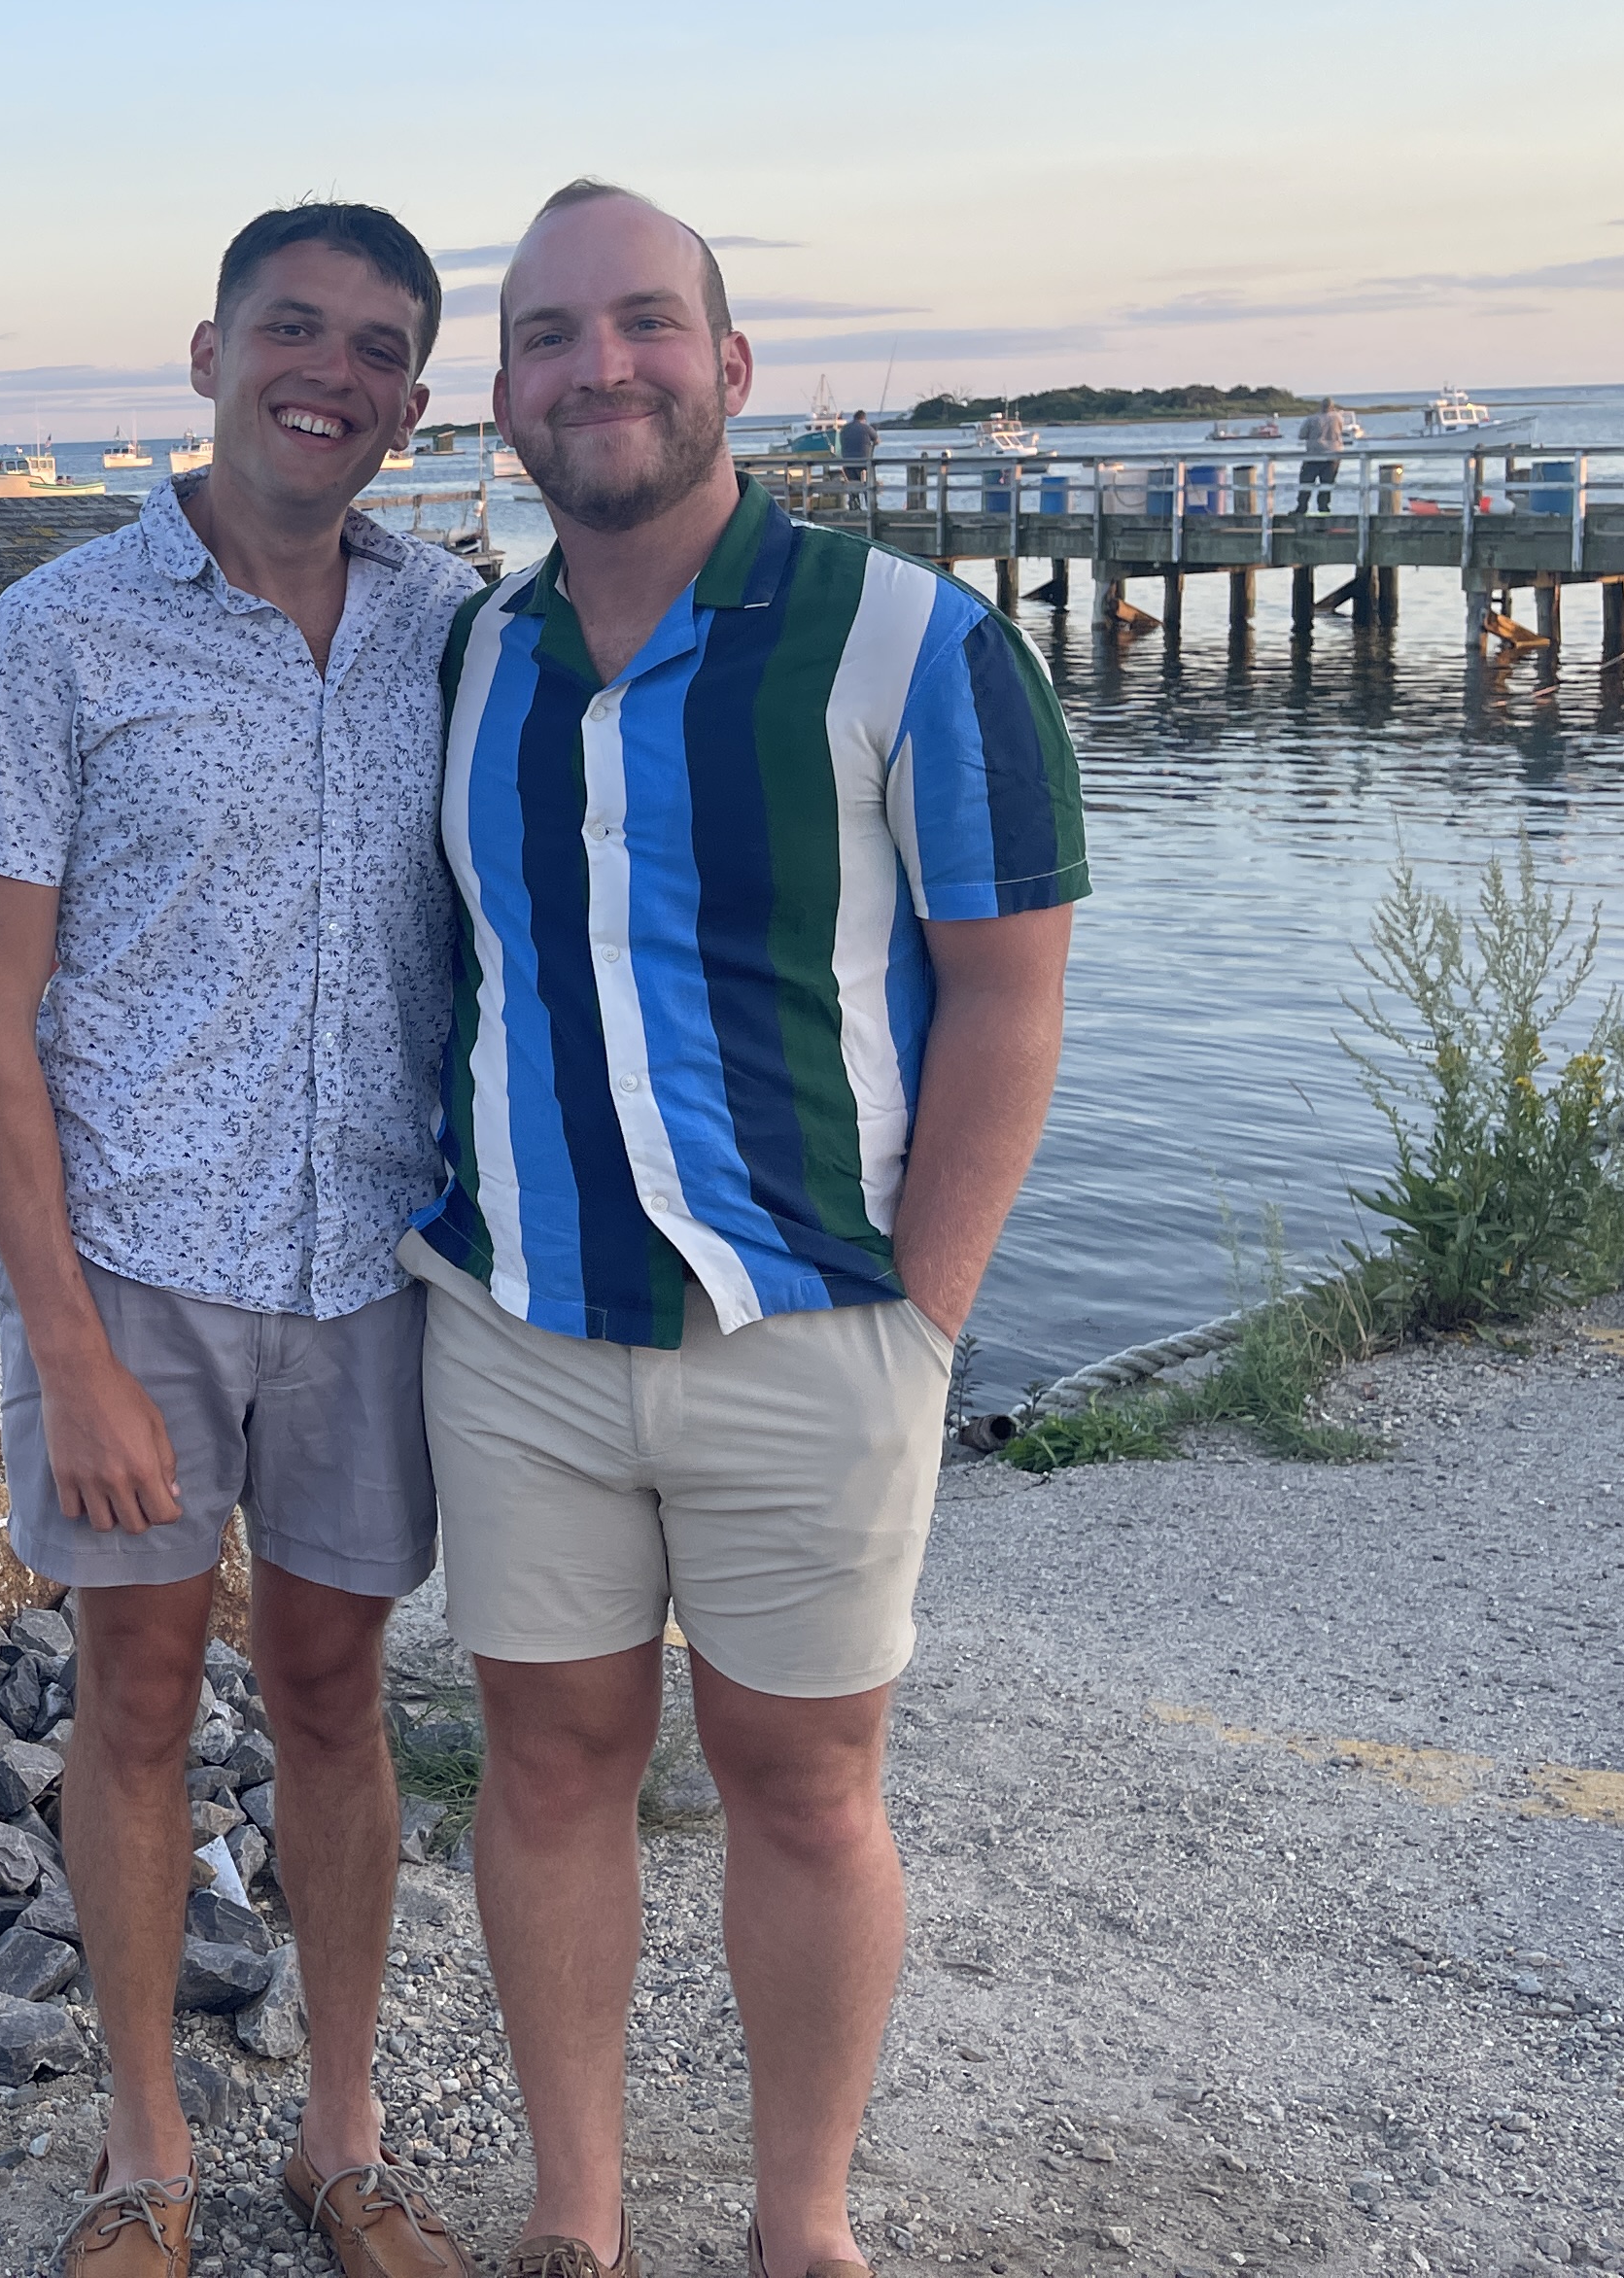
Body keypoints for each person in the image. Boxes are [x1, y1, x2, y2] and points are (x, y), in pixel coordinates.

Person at [406, 180, 1088, 2278]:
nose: (595, 367)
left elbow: (1011, 994)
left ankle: (806, 2227)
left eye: (639, 323)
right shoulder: (471, 655)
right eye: (545, 336)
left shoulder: (917, 643)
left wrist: (926, 1319)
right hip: (521, 1330)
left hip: (816, 1330)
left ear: (730, 367)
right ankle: (580, 2217)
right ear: (504, 394)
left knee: (803, 1790)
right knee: (548, 1773)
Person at [0, 200, 485, 2278]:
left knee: (340, 1696)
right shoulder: (65, 636)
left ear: (413, 401)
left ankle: (341, 2140)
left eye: (374, 347)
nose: (326, 372)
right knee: (138, 1694)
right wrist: (64, 1348)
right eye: (290, 328)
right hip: (138, 1258)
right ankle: (141, 2149)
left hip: (370, 1258)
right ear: (209, 349)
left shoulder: (455, 623)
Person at [1297, 395, 1360, 512]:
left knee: (1306, 482)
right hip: (1334, 455)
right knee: (1326, 484)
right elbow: (1340, 431)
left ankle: (1302, 508)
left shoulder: (1312, 419)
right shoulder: (1338, 418)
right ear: (1332, 407)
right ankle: (1323, 508)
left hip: (1314, 455)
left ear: (1321, 406)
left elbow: (1302, 435)